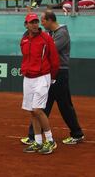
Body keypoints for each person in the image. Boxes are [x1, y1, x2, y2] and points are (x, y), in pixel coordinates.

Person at [21, 10, 85, 145]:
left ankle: (76, 133)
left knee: (63, 105)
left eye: (42, 21)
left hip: (59, 73)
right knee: (42, 106)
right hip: (48, 74)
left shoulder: (61, 34)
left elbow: (48, 51)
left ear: (50, 20)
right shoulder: (50, 34)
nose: (41, 24)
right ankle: (34, 136)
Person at [20, 13, 59, 154]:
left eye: (37, 21)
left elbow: (54, 59)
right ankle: (37, 141)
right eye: (32, 22)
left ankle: (50, 140)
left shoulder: (46, 39)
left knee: (37, 109)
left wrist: (52, 77)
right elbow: (25, 58)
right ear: (26, 25)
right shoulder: (24, 39)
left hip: (43, 77)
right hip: (28, 77)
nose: (35, 24)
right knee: (32, 111)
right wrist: (25, 69)